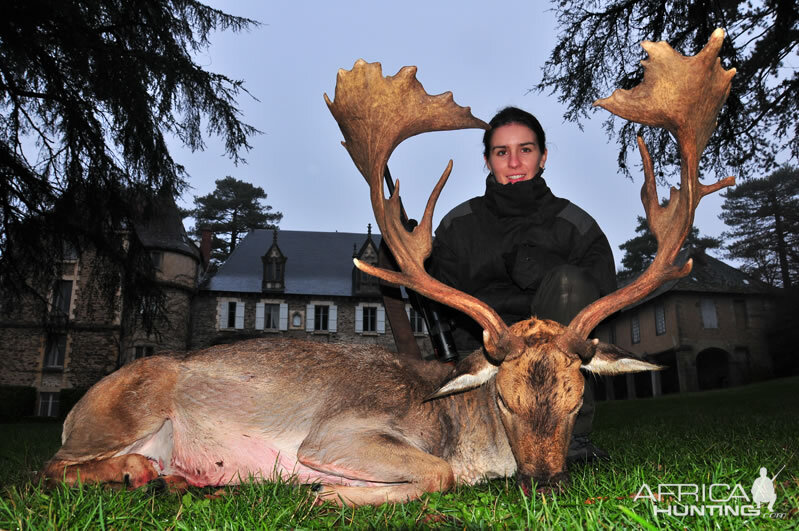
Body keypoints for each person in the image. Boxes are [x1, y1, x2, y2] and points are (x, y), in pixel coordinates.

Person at [426, 106, 616, 463]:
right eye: (502, 152)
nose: (514, 163)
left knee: (568, 283)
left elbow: (604, 290)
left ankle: (574, 436)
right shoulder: (458, 225)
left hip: (554, 355)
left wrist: (547, 271)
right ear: (488, 161)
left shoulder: (574, 223)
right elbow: (441, 302)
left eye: (525, 150)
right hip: (490, 359)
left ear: (543, 157)